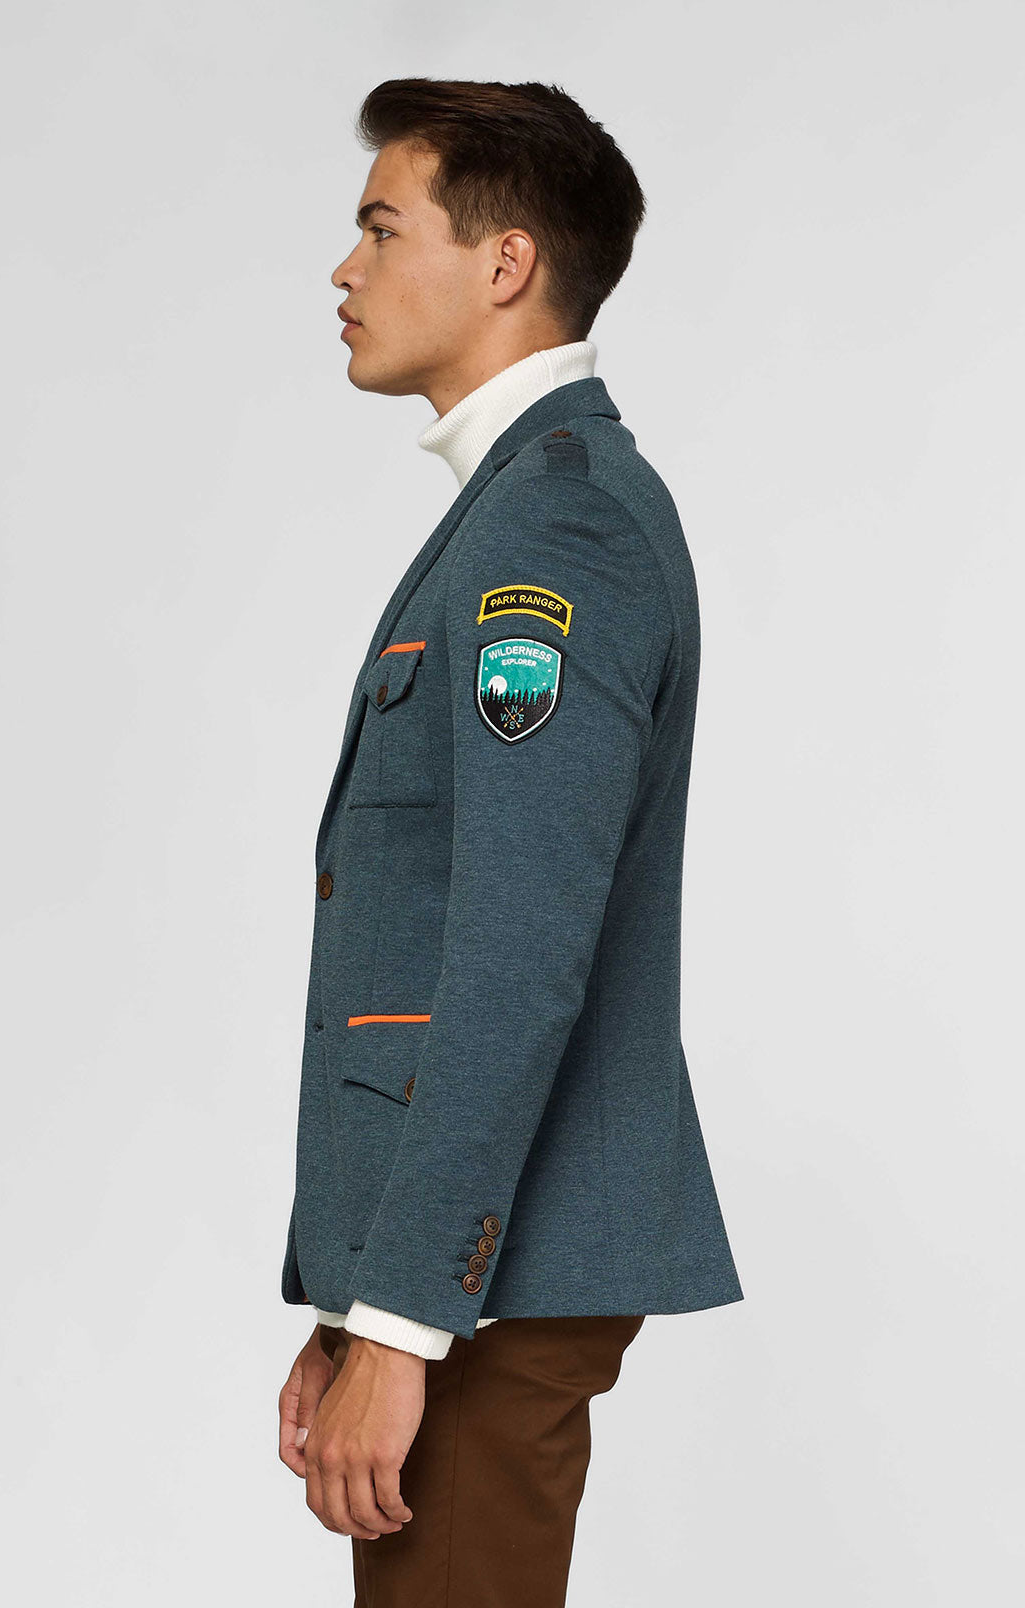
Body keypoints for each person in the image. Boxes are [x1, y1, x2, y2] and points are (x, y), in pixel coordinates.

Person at [276, 77, 744, 1607]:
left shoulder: (559, 526)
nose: (343, 269)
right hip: (460, 1279)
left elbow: (522, 947)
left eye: (379, 228)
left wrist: (402, 1314)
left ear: (505, 261)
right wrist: (354, 1298)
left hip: (488, 1285)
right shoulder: (518, 510)